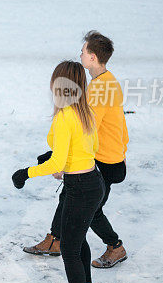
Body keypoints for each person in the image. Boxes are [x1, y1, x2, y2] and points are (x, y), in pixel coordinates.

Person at [23, 31, 129, 269]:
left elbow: (87, 130)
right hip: (107, 155)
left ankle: (115, 246)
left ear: (91, 57)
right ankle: (55, 239)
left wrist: (63, 160)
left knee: (90, 210)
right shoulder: (105, 81)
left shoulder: (99, 90)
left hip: (103, 159)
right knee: (69, 198)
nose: (80, 54)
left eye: (82, 52)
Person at [12, 61, 103, 283]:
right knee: (77, 237)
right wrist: (63, 162)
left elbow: (56, 164)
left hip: (80, 188)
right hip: (91, 181)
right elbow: (90, 148)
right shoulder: (85, 112)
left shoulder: (65, 117)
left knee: (69, 249)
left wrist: (25, 173)